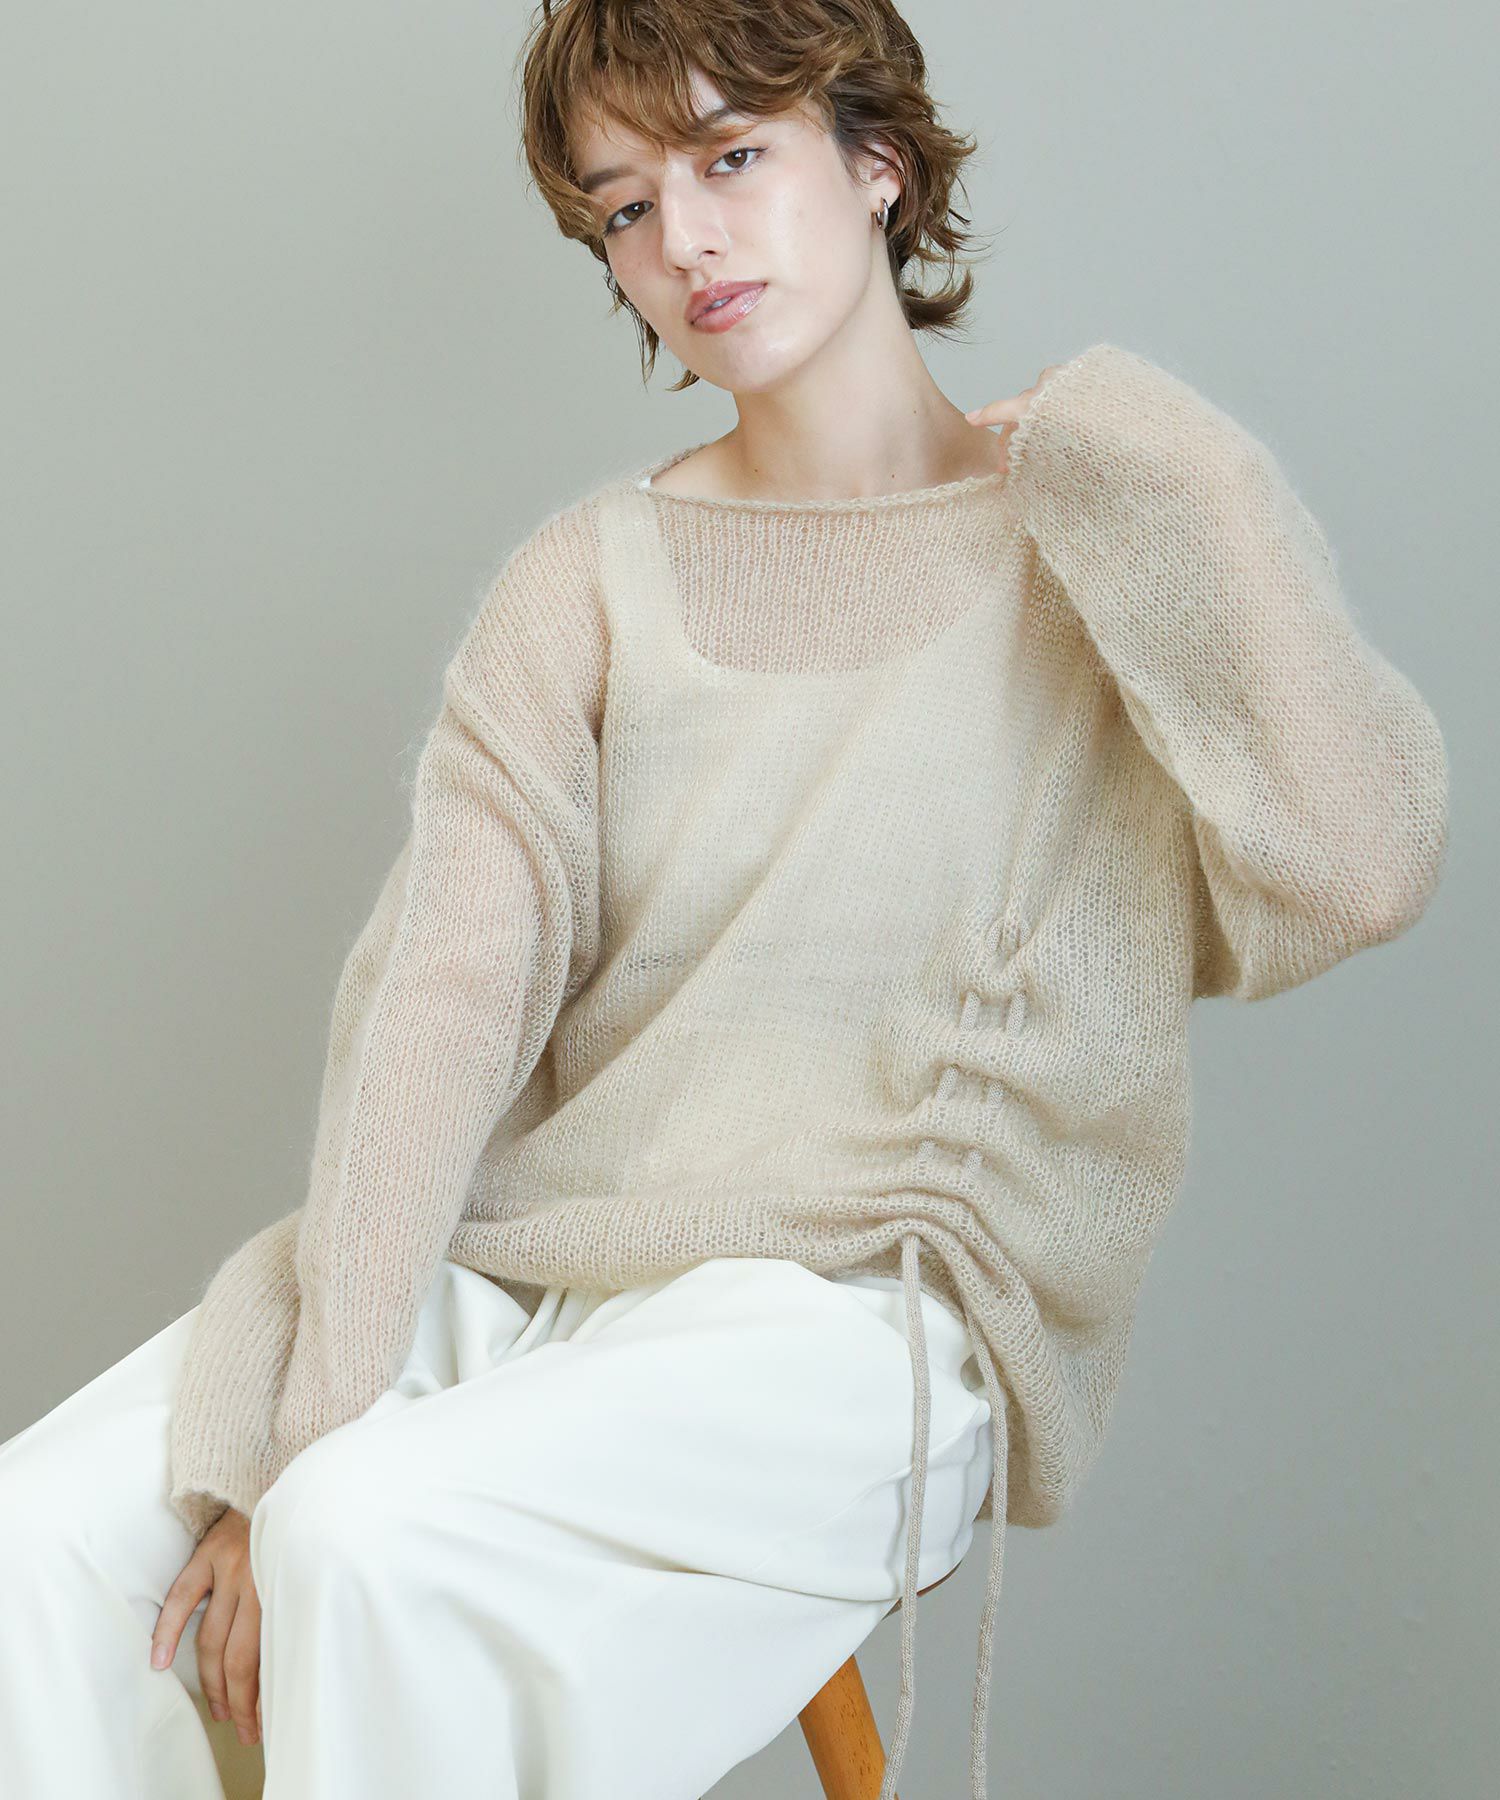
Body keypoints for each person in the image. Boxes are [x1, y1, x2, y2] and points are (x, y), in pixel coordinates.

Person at [0, 3, 1451, 1798]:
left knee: (366, 1537)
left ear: (878, 161)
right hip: (553, 1260)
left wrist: (1157, 456)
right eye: (625, 208)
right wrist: (296, 1437)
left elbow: (1359, 864)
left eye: (731, 157)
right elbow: (437, 1015)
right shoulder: (585, 584)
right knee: (43, 1539)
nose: (681, 240)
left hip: (861, 1306)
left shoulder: (1096, 529)